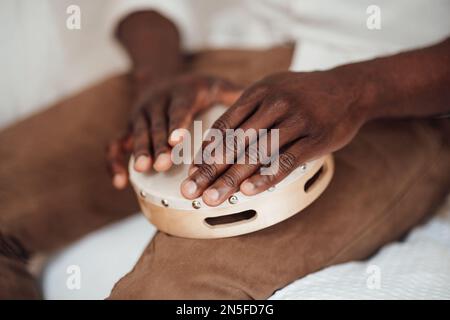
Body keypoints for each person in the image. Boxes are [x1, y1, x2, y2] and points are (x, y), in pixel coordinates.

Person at [0, 0, 449, 299]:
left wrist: (355, 92)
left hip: (389, 90)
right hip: (203, 59)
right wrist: (157, 79)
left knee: (173, 295)